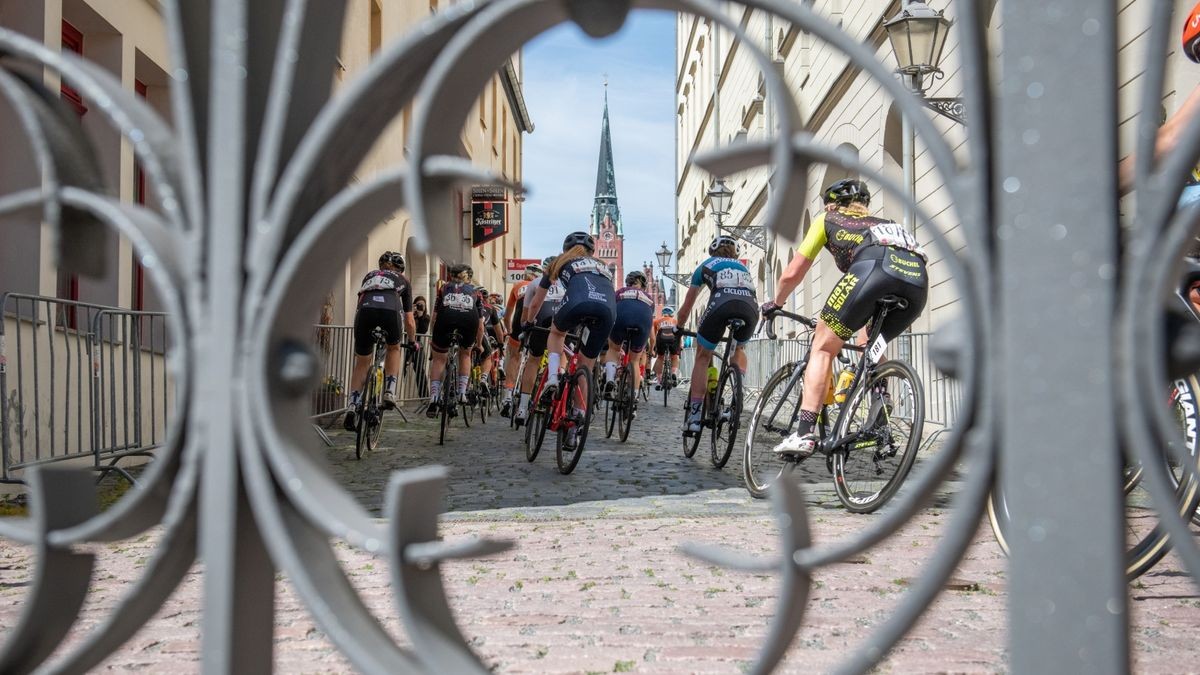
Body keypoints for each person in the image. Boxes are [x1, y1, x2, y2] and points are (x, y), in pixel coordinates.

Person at [762, 179, 928, 458]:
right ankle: (879, 400)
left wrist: (775, 303)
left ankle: (803, 434)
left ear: (831, 203)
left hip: (875, 271)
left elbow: (792, 273)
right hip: (916, 283)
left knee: (823, 346)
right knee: (869, 344)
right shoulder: (884, 223)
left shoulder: (827, 218)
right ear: (865, 206)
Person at [523, 232, 616, 447]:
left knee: (557, 333)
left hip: (578, 303)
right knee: (585, 366)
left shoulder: (560, 262)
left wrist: (528, 323)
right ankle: (576, 426)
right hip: (607, 311)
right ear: (592, 251)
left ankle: (553, 378)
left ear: (566, 249)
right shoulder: (602, 265)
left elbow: (537, 301)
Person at [676, 235, 759, 434]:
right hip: (750, 309)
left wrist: (679, 327)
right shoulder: (743, 267)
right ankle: (736, 393)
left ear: (713, 251)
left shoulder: (706, 265)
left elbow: (688, 305)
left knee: (703, 357)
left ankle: (695, 417)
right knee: (738, 348)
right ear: (735, 252)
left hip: (720, 305)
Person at [344, 251, 417, 431]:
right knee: (394, 348)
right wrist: (413, 341)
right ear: (401, 269)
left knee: (362, 362)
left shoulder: (369, 276)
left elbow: (360, 301)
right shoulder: (403, 280)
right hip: (390, 312)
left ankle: (353, 404)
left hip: (365, 313)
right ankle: (390, 391)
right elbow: (409, 319)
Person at [426, 264, 486, 418]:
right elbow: (480, 326)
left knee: (439, 359)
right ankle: (461, 393)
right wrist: (479, 345)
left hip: (445, 320)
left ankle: (433, 396)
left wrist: (434, 338)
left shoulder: (444, 288)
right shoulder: (476, 292)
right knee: (465, 354)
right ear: (469, 278)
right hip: (468, 321)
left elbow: (434, 317)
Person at [512, 256, 564, 426]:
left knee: (534, 361)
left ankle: (523, 407)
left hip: (541, 318)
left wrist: (525, 328)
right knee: (563, 351)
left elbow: (528, 311)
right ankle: (559, 374)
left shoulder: (535, 283)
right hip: (562, 319)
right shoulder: (567, 283)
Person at [501, 260, 546, 416]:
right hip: (538, 322)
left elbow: (507, 315)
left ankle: (507, 395)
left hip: (519, 322)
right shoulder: (542, 285)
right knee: (536, 358)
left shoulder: (518, 286)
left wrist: (509, 330)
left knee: (514, 358)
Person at [603, 270, 654, 402]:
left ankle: (609, 379)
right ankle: (634, 396)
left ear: (627, 283)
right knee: (635, 361)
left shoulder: (620, 292)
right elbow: (650, 322)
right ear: (643, 285)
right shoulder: (649, 297)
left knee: (613, 349)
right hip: (642, 320)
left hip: (622, 316)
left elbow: (611, 310)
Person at [651, 306, 681, 388]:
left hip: (661, 337)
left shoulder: (656, 321)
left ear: (663, 314)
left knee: (660, 358)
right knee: (674, 357)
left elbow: (653, 335)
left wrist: (653, 348)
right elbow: (679, 335)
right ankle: (674, 373)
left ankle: (659, 381)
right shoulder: (676, 321)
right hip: (673, 337)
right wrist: (680, 346)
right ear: (672, 314)